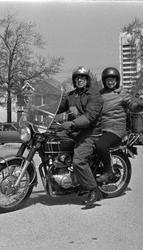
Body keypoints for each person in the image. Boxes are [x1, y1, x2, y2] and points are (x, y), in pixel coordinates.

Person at [95, 67, 143, 183]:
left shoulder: (122, 93)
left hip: (115, 129)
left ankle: (108, 172)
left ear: (117, 80)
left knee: (101, 146)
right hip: (101, 128)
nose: (110, 82)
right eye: (108, 79)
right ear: (104, 81)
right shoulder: (99, 94)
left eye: (113, 79)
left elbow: (133, 106)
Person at [57, 66, 103, 205]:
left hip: (90, 133)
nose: (79, 80)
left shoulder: (94, 95)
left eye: (82, 78)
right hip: (75, 131)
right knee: (53, 140)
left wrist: (73, 124)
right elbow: (58, 107)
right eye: (77, 78)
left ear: (87, 80)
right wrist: (42, 109)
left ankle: (94, 190)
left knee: (78, 160)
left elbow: (90, 116)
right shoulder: (71, 95)